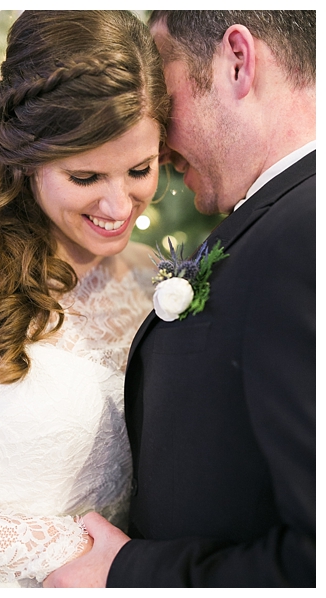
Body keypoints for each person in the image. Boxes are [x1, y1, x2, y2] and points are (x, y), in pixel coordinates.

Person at [44, 10, 315, 588]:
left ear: (236, 61)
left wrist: (134, 572)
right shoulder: (279, 219)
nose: (157, 143)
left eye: (162, 92)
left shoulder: (301, 233)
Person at [0, 10, 169, 587]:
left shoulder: (153, 277)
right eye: (85, 178)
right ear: (26, 157)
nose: (118, 207)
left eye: (140, 170)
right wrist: (79, 550)